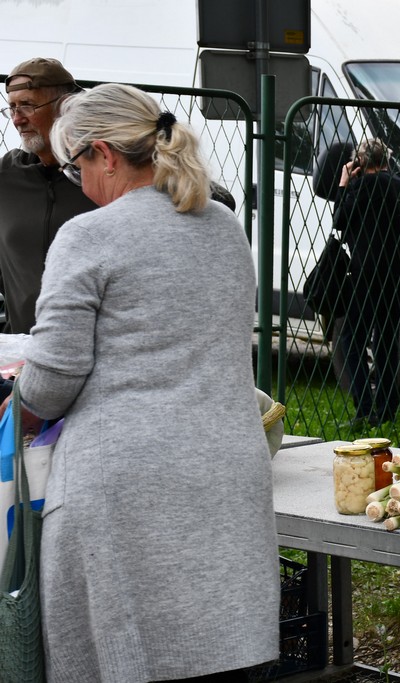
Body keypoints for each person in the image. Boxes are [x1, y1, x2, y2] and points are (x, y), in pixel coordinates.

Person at [16, 82, 279, 682]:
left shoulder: (88, 236)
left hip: (127, 488)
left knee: (132, 660)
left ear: (105, 153)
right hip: (227, 471)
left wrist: (18, 400)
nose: (78, 182)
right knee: (225, 654)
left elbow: (53, 378)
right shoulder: (224, 229)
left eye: (78, 163)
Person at [0, 57, 97, 334]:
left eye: (28, 105)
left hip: (97, 350)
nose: (17, 119)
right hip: (25, 351)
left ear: (65, 107)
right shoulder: (7, 175)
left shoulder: (103, 172)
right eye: (12, 108)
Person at [332, 138, 400, 427]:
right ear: (387, 159)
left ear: (360, 163)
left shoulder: (358, 188)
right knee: (386, 342)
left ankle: (363, 407)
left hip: (363, 276)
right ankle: (385, 410)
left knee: (351, 338)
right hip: (396, 277)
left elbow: (339, 221)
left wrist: (344, 183)